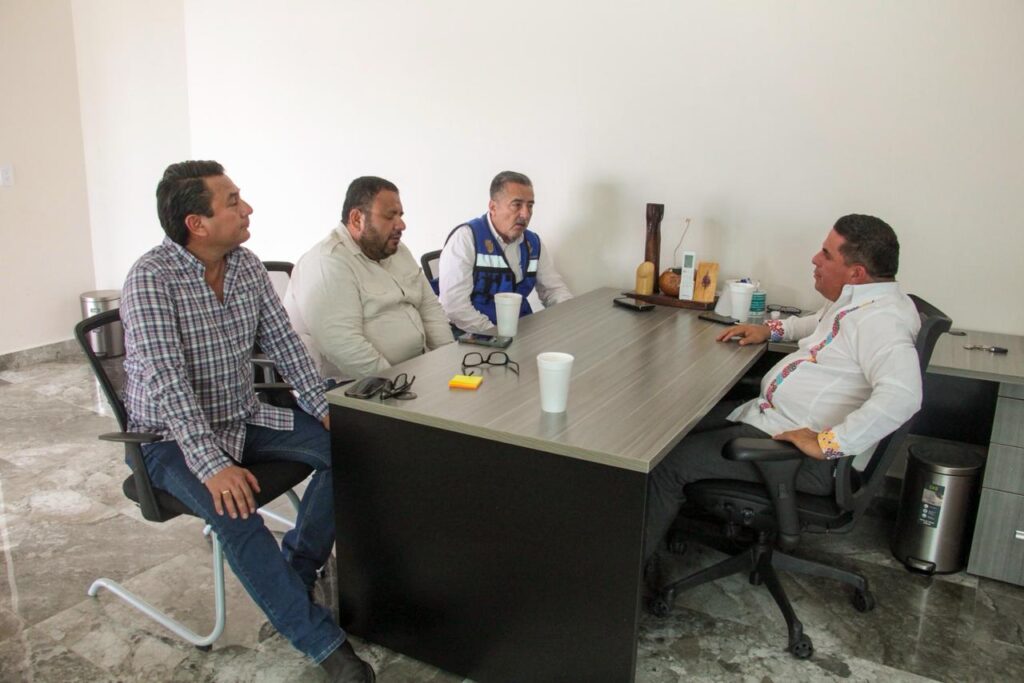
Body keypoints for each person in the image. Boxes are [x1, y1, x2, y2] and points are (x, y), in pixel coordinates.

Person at [121, 161, 374, 682]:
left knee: (347, 449)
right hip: (169, 439)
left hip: (243, 416)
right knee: (234, 513)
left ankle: (297, 569)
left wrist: (323, 409)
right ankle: (325, 646)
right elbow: (167, 383)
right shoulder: (150, 279)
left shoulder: (246, 266)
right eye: (233, 201)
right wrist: (213, 466)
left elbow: (286, 345)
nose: (247, 208)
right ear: (197, 223)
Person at [644, 214, 923, 566]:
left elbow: (903, 396)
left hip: (796, 457)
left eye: (826, 254)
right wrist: (771, 330)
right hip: (772, 419)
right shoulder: (861, 300)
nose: (815, 259)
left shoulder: (882, 321)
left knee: (666, 464)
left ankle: (618, 582)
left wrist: (827, 443)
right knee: (670, 428)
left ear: (856, 273)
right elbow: (819, 323)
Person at [284, 176, 453, 380]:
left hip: (415, 371)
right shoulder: (327, 262)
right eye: (390, 216)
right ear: (357, 219)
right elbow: (344, 345)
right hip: (358, 386)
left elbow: (429, 308)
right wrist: (397, 387)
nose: (401, 225)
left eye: (400, 215)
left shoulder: (397, 251)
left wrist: (449, 363)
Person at [438, 171, 572, 334]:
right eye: (517, 205)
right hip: (475, 335)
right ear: (493, 207)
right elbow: (454, 306)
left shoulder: (533, 243)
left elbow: (553, 290)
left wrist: (570, 316)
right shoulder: (466, 238)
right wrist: (496, 335)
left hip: (520, 329)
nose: (525, 214)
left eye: (530, 206)